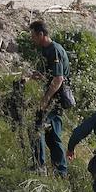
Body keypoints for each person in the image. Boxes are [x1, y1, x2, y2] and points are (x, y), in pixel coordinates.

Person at [27, 20, 71, 177]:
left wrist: (45, 100)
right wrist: (33, 77)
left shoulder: (54, 50)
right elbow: (49, 75)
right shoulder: (45, 50)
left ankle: (40, 166)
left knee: (36, 128)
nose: (32, 39)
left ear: (41, 34)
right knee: (52, 136)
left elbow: (58, 79)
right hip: (53, 98)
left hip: (56, 99)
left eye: (33, 36)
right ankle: (60, 171)